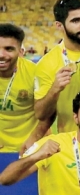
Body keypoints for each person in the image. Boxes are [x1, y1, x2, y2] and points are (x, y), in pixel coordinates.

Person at [33, 0, 80, 134]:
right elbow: (41, 114)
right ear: (59, 26)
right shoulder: (47, 63)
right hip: (70, 143)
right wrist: (54, 89)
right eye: (76, 21)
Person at [0, 23, 42, 154]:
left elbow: (46, 114)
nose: (1, 54)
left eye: (9, 49)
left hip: (29, 148)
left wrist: (35, 138)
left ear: (20, 51)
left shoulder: (35, 73)